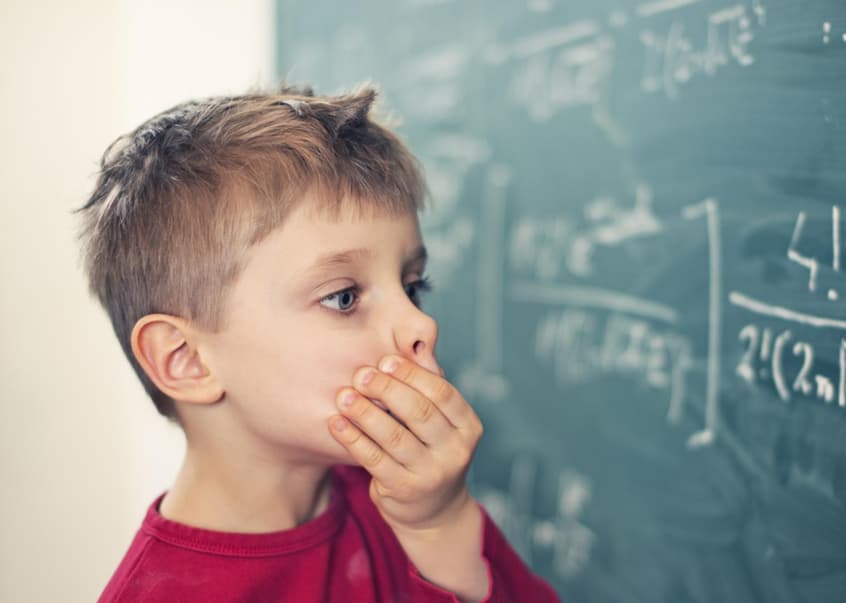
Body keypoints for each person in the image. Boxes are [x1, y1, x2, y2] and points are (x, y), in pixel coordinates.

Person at [79, 84, 559, 603]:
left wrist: (440, 527)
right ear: (187, 360)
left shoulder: (412, 502)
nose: (422, 325)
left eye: (413, 286)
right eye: (344, 297)